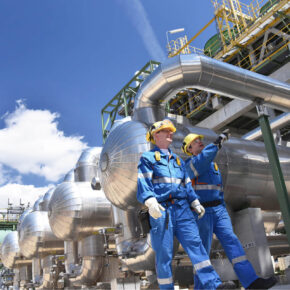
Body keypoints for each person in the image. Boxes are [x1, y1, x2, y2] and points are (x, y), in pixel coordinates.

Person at [137, 119, 230, 290]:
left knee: (196, 245)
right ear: (156, 135)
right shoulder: (148, 158)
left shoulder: (178, 161)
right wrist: (150, 201)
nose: (170, 133)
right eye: (166, 131)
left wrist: (194, 201)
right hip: (162, 210)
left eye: (171, 131)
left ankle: (213, 285)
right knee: (164, 255)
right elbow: (143, 181)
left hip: (182, 209)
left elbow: (186, 183)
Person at [182, 131, 277, 290]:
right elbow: (203, 160)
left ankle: (251, 282)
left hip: (219, 209)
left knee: (233, 243)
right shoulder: (190, 164)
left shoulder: (213, 165)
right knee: (202, 252)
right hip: (201, 212)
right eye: (195, 141)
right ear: (189, 148)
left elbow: (218, 188)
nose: (199, 142)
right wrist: (218, 141)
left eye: (200, 140)